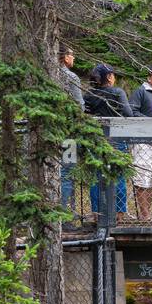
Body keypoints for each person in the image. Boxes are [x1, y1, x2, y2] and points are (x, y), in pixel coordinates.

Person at [83, 63, 132, 218]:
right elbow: (128, 113)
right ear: (109, 76)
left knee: (97, 176)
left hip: (96, 139)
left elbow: (86, 114)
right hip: (117, 139)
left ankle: (98, 213)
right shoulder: (117, 92)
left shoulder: (89, 95)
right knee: (118, 175)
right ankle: (119, 212)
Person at [128, 65, 152, 221]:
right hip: (142, 143)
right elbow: (132, 112)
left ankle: (147, 214)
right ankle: (144, 216)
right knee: (141, 180)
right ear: (149, 77)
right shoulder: (140, 92)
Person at [58, 45, 84, 211]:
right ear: (65, 57)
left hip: (45, 133)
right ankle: (66, 215)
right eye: (72, 55)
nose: (73, 58)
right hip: (68, 133)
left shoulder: (43, 74)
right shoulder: (70, 77)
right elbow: (78, 104)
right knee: (67, 173)